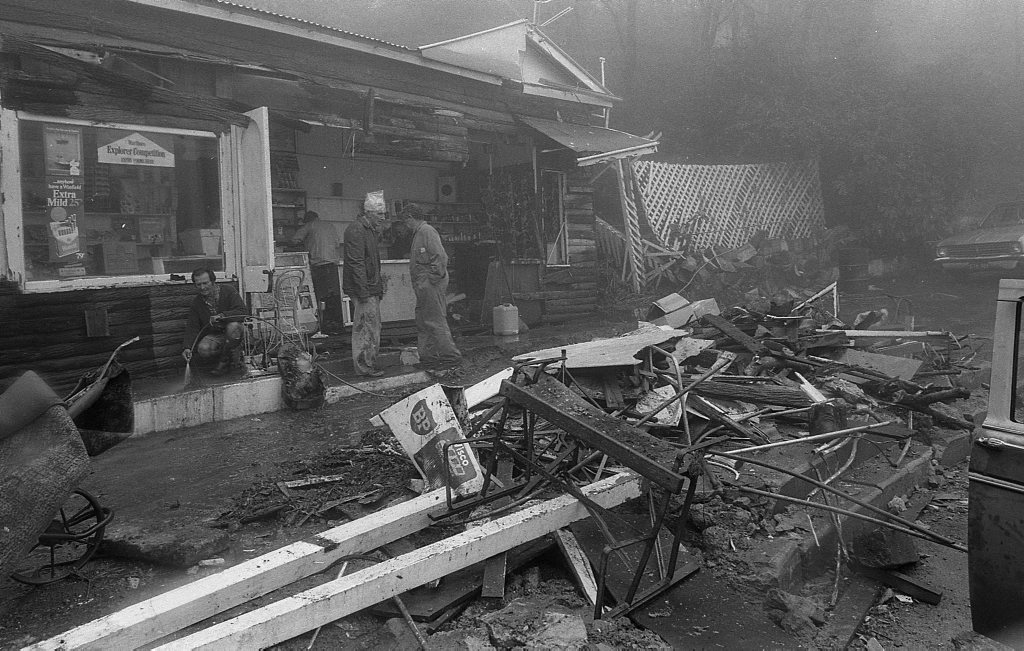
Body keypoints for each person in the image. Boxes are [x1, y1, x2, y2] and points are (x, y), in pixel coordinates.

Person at [400, 205, 462, 368]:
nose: (405, 225)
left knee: (434, 320)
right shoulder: (419, 233)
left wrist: (431, 280)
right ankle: (429, 356)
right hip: (423, 285)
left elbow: (440, 256)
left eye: (405, 221)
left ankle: (450, 356)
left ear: (410, 218)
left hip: (429, 284)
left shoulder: (426, 231)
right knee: (423, 320)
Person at [343, 192, 390, 377]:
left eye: (383, 214)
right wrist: (363, 291)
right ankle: (364, 367)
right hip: (365, 289)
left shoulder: (368, 230)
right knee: (366, 328)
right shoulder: (357, 230)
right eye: (380, 214)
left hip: (370, 287)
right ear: (369, 212)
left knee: (371, 327)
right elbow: (357, 262)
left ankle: (368, 364)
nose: (383, 218)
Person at [181, 268, 247, 376]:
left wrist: (222, 316)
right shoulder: (197, 303)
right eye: (198, 284)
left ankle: (230, 362)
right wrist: (187, 347)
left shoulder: (228, 291)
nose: (202, 287)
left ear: (213, 281)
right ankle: (228, 361)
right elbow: (192, 327)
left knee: (233, 327)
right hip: (218, 335)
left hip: (238, 333)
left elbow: (242, 311)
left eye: (205, 283)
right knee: (204, 349)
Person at [291, 210, 342, 324]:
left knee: (320, 294)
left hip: (319, 265)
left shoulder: (309, 225)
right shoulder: (330, 225)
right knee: (333, 294)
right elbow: (337, 243)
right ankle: (335, 322)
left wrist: (305, 243)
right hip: (333, 265)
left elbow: (294, 240)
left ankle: (322, 323)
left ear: (307, 220)